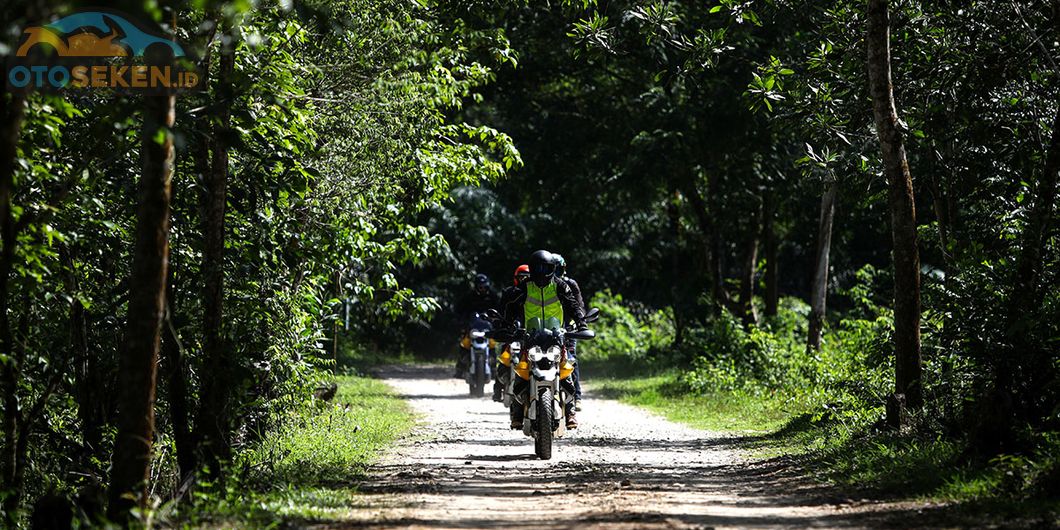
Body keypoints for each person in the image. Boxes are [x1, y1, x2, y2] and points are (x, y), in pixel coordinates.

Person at [501, 250, 585, 429]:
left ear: (552, 269)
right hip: (530, 336)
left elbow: (573, 304)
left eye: (545, 268)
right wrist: (506, 325)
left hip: (556, 335)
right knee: (522, 370)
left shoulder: (560, 285)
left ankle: (570, 411)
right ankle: (517, 412)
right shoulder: (525, 286)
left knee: (565, 368)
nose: (541, 272)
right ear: (531, 269)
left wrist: (581, 323)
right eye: (537, 268)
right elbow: (512, 306)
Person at [552, 253, 585, 412]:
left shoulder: (570, 284)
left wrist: (576, 323)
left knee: (571, 359)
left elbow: (579, 307)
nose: (555, 272)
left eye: (559, 269)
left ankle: (576, 397)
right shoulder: (542, 286)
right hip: (548, 328)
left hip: (567, 328)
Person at [492, 264, 530, 402]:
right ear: (516, 278)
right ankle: (497, 389)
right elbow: (501, 311)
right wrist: (499, 326)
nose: (524, 280)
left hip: (530, 331)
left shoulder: (534, 293)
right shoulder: (509, 292)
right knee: (504, 357)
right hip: (512, 330)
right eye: (521, 277)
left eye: (527, 277)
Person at [454, 273, 499, 377]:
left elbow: (500, 310)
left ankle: (493, 368)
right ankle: (460, 367)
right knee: (464, 343)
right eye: (480, 287)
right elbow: (459, 309)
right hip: (472, 327)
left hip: (488, 328)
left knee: (493, 345)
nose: (482, 289)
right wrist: (460, 320)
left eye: (484, 287)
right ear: (476, 286)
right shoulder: (469, 296)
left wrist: (498, 321)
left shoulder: (493, 296)